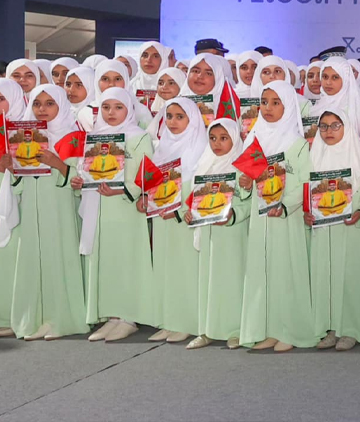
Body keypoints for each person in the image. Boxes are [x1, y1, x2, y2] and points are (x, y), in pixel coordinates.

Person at [4, 84, 88, 340]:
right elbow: (16, 182)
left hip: (60, 207)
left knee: (58, 257)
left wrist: (57, 164)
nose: (42, 109)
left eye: (50, 103)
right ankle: (33, 317)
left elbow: (82, 179)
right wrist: (10, 168)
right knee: (32, 259)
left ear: (61, 105)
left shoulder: (74, 137)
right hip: (31, 206)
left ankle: (61, 318)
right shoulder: (22, 137)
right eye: (38, 103)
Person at [241, 81, 318, 352]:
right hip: (260, 216)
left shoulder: (296, 143)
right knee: (263, 270)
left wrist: (286, 205)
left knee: (286, 269)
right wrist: (244, 183)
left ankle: (289, 329)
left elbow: (304, 181)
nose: (268, 108)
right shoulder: (254, 139)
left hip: (285, 216)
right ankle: (268, 329)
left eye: (276, 102)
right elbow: (247, 177)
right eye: (264, 102)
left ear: (288, 106)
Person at [77, 89, 156, 343]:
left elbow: (145, 173)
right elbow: (87, 168)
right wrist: (82, 179)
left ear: (129, 109)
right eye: (107, 107)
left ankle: (128, 318)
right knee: (106, 259)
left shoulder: (139, 137)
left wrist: (123, 190)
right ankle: (112, 316)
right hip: (100, 206)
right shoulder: (95, 136)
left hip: (125, 207)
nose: (111, 113)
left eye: (118, 107)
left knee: (125, 259)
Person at [307, 109, 360, 352]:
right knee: (326, 275)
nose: (329, 131)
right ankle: (331, 327)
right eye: (323, 126)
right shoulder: (314, 156)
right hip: (323, 228)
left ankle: (352, 329)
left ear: (346, 127)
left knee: (350, 276)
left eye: (335, 125)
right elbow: (308, 192)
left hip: (349, 226)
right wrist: (308, 212)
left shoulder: (357, 156)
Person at [146, 97, 208, 345]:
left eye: (179, 117)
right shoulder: (162, 147)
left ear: (192, 120)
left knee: (184, 269)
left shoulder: (200, 148)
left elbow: (201, 187)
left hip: (184, 218)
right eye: (168, 116)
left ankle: (186, 321)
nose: (172, 122)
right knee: (165, 267)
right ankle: (169, 320)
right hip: (163, 216)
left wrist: (179, 209)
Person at [188, 119, 249, 349]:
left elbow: (247, 201)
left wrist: (234, 214)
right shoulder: (205, 163)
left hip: (231, 232)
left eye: (224, 138)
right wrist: (190, 214)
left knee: (231, 279)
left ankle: (235, 330)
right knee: (208, 279)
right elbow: (195, 197)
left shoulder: (240, 166)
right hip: (209, 230)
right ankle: (208, 329)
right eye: (213, 138)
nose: (217, 143)